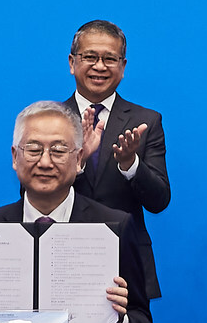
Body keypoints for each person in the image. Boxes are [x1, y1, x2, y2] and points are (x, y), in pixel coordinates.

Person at [0, 101, 150, 323]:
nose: (46, 162)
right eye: (33, 149)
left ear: (79, 158)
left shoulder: (114, 228)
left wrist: (119, 319)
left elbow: (143, 320)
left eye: (59, 150)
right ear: (14, 157)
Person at [62, 19, 171, 307]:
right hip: (60, 258)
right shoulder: (50, 120)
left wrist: (130, 164)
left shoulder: (145, 121)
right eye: (90, 57)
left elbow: (159, 200)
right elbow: (28, 194)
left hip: (127, 261)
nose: (100, 66)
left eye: (110, 58)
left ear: (122, 67)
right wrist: (77, 163)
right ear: (73, 63)